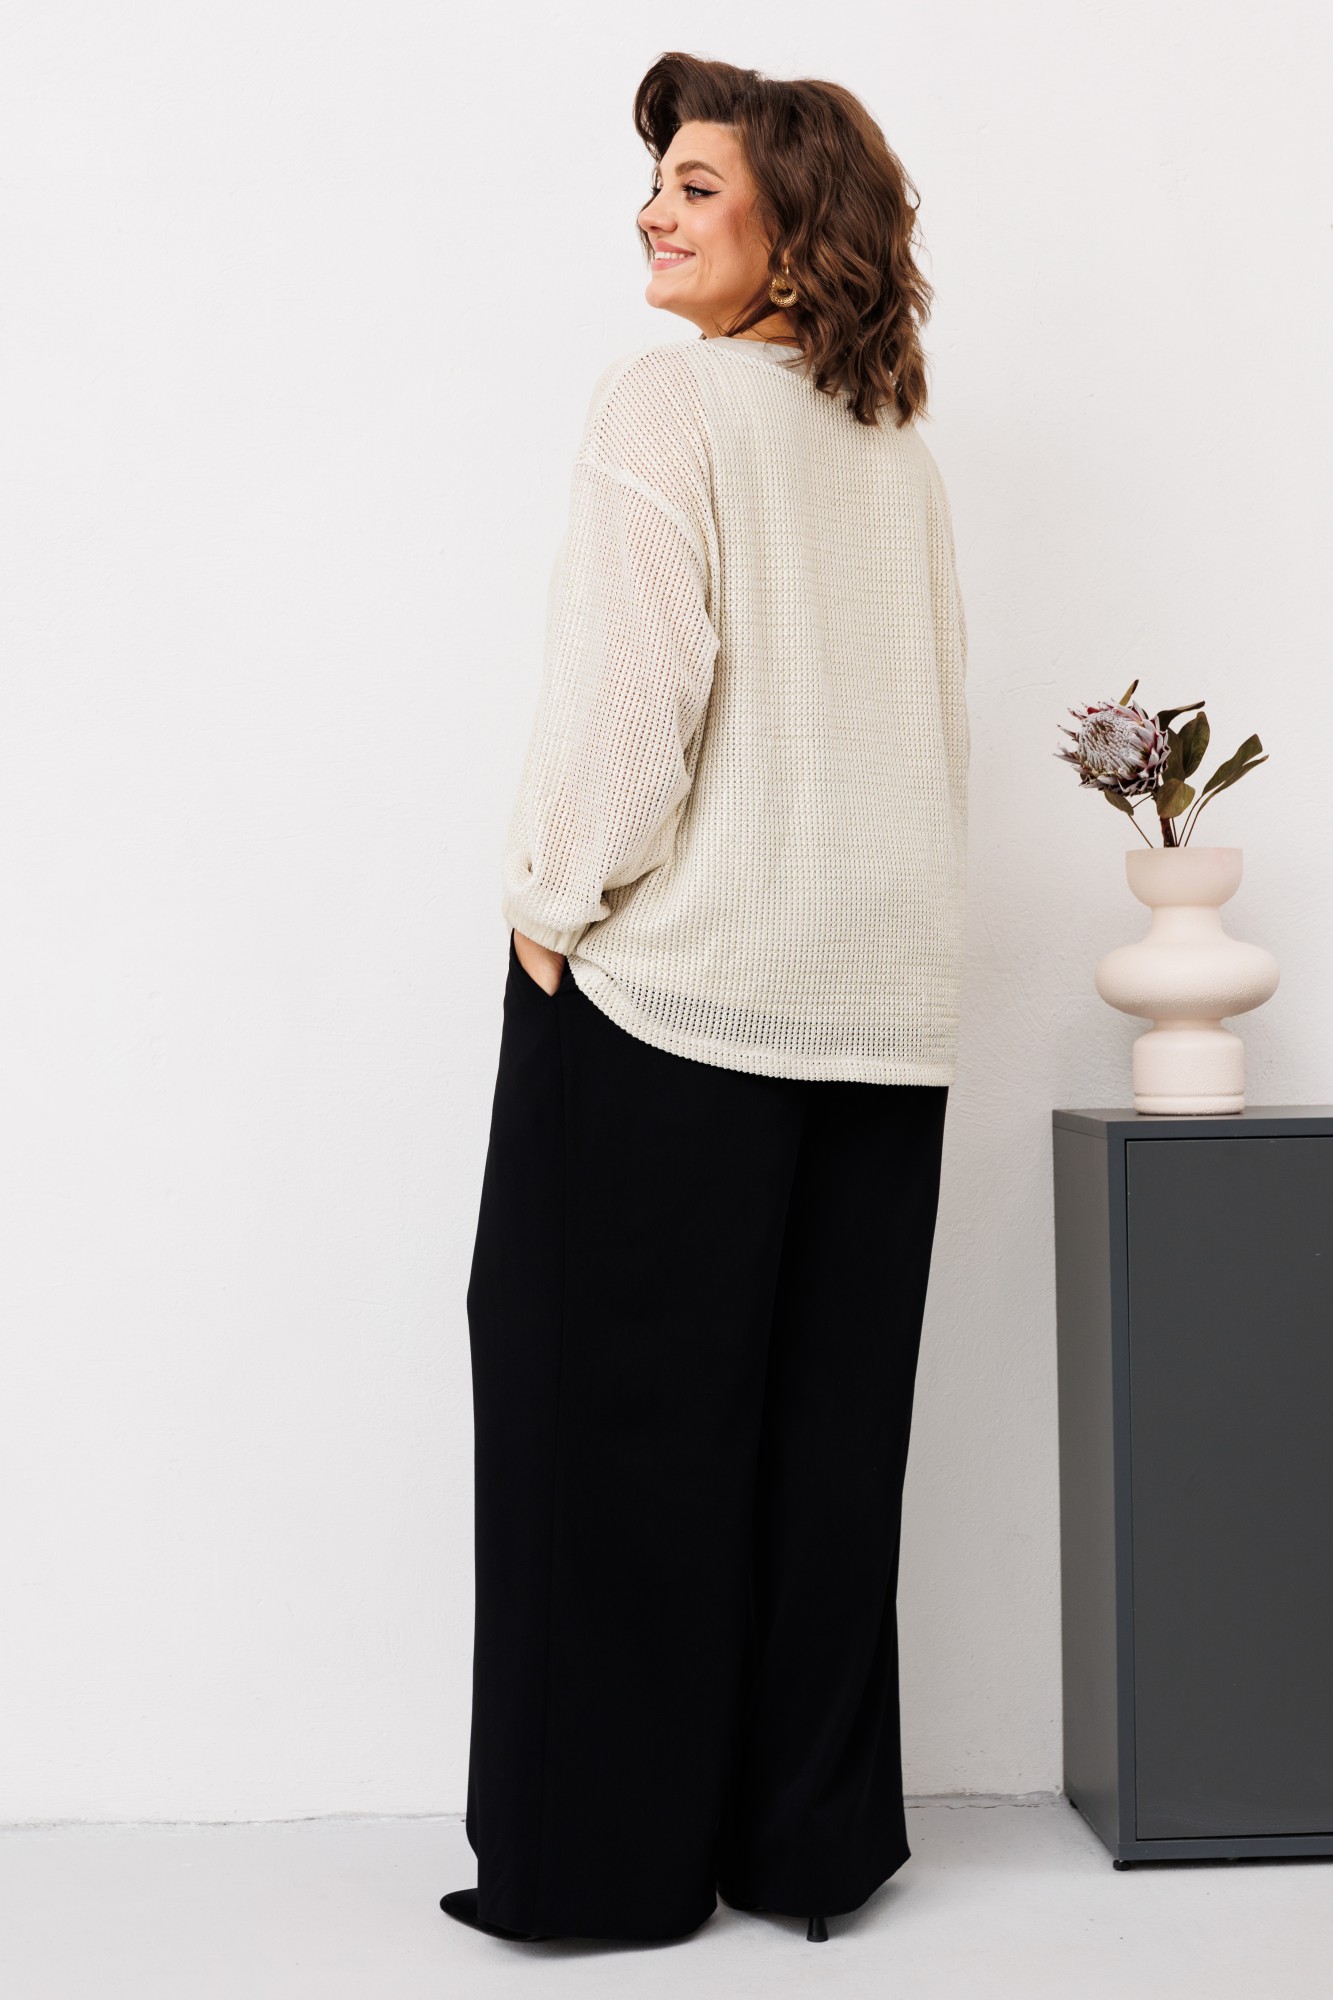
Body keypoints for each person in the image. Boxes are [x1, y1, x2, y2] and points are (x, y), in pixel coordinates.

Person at [441, 49, 969, 1950]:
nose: (652, 213)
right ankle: (803, 1846)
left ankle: (603, 1865)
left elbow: (634, 686)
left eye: (692, 184)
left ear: (792, 225)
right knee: (826, 1444)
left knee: (601, 1423)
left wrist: (549, 901)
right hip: (884, 1005)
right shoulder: (891, 443)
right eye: (654, 182)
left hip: (683, 997)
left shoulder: (666, 402)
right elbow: (932, 717)